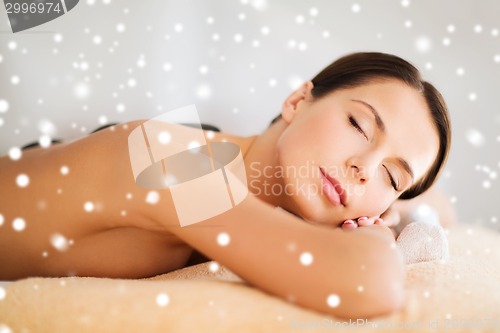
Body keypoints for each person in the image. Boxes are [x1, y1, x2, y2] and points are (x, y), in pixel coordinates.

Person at [0, 52, 453, 319]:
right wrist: (376, 238)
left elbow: (439, 207)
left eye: (392, 177)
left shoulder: (244, 185)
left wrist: (391, 210)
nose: (363, 167)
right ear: (297, 101)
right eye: (358, 124)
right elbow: (368, 282)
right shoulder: (168, 157)